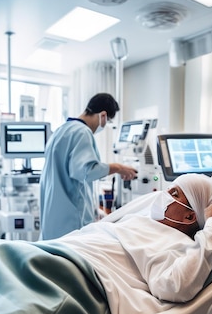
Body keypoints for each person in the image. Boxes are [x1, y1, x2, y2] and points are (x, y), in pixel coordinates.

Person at [57, 173, 212, 314]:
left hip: (77, 273)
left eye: (174, 194)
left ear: (189, 216)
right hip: (64, 250)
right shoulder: (142, 220)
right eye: (169, 189)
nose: (165, 195)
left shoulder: (176, 244)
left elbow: (176, 286)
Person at [39, 93, 139, 240]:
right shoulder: (82, 132)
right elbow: (86, 172)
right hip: (70, 223)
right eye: (108, 121)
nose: (104, 126)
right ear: (103, 116)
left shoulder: (61, 131)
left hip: (52, 222)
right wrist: (117, 167)